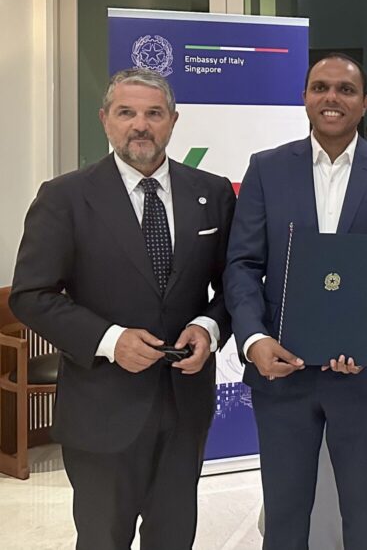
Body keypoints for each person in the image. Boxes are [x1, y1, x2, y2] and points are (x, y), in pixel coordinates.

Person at [10, 68, 235, 550]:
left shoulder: (212, 193)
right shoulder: (65, 197)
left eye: (154, 113)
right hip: (101, 408)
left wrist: (208, 327)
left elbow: (234, 287)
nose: (140, 125)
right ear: (105, 120)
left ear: (173, 120)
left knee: (174, 537)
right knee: (102, 540)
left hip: (185, 407)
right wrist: (110, 340)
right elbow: (31, 294)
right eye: (126, 112)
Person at [223, 53, 367, 550]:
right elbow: (242, 264)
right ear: (304, 97)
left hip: (362, 373)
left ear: (365, 103)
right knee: (285, 515)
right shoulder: (267, 169)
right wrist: (253, 339)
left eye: (345, 89)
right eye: (320, 87)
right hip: (281, 371)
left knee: (364, 514)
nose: (331, 98)